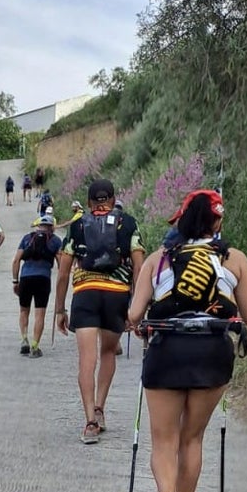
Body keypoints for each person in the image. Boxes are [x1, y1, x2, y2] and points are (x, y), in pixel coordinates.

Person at [127, 188, 247, 492]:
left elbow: (134, 314)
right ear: (217, 221)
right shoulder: (234, 259)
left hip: (167, 350)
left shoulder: (159, 258)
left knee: (164, 440)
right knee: (192, 438)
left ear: (182, 220)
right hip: (212, 352)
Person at [54, 178, 145, 443]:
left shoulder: (77, 225)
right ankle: (100, 408)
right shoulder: (128, 223)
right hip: (116, 295)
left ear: (89, 202)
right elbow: (139, 266)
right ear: (113, 200)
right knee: (108, 352)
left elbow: (63, 272)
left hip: (86, 293)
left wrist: (60, 309)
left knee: (87, 359)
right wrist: (136, 306)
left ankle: (90, 423)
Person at [11, 215, 63, 356]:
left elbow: (16, 261)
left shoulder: (27, 238)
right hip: (43, 279)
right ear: (52, 227)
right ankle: (35, 347)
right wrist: (61, 283)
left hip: (26, 278)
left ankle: (24, 339)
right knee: (40, 314)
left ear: (38, 226)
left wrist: (15, 281)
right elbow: (61, 265)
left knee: (24, 310)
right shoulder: (55, 241)